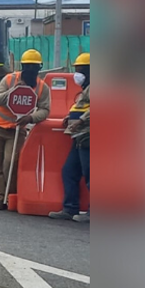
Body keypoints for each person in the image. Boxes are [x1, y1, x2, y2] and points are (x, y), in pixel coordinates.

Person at [0, 49, 51, 210]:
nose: (30, 70)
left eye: (34, 67)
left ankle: (10, 195)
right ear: (22, 66)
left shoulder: (42, 88)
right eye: (27, 66)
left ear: (39, 68)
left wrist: (31, 118)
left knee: (11, 163)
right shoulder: (9, 80)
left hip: (17, 129)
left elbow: (45, 110)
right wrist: (11, 92)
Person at [50, 53, 90, 222]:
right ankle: (70, 207)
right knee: (69, 171)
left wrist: (80, 120)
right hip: (79, 136)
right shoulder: (86, 89)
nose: (77, 74)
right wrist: (70, 117)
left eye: (81, 70)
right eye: (76, 69)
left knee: (91, 174)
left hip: (89, 135)